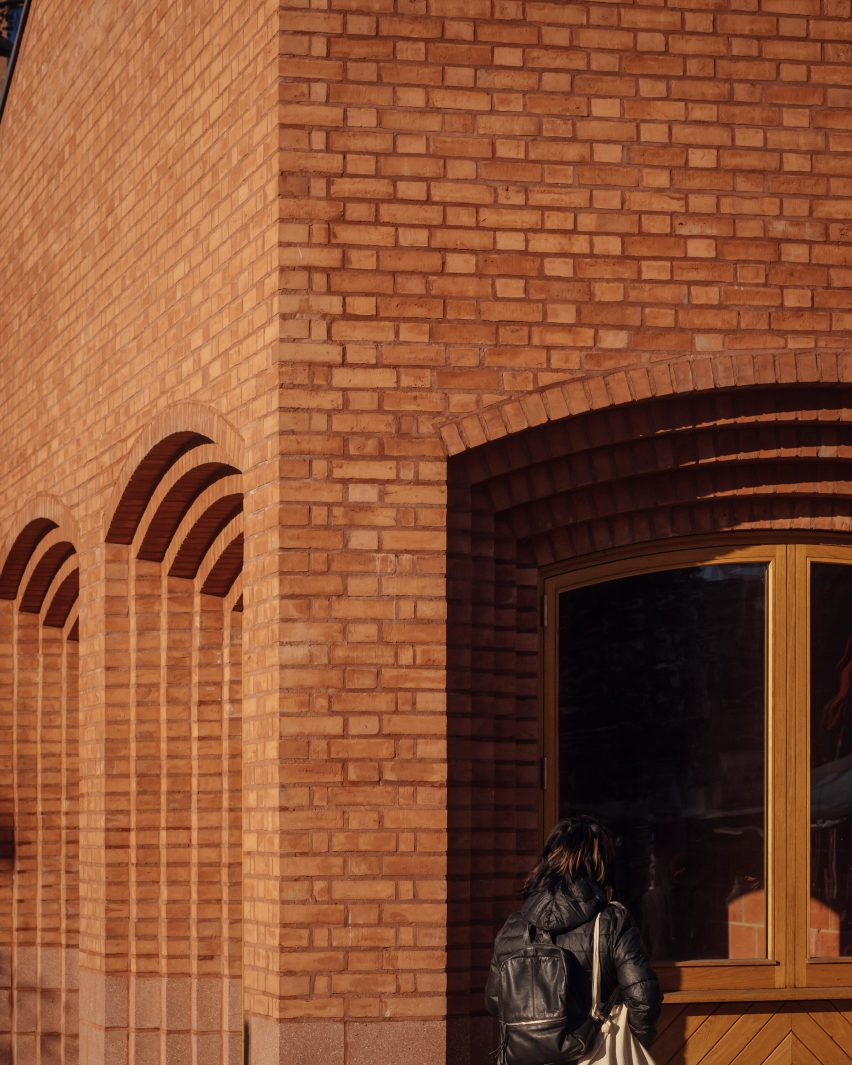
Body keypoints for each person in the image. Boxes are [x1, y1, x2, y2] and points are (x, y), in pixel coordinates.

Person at [485, 816, 662, 1051]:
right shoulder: (611, 921)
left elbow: (495, 1000)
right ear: (601, 865)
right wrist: (631, 1045)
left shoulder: (514, 926)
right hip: (592, 1051)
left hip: (523, 1056)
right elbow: (643, 998)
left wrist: (535, 1035)